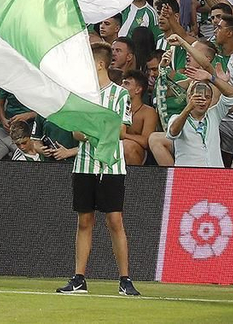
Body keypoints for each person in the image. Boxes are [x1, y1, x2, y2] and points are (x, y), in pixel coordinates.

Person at [52, 40, 139, 297]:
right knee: (84, 220)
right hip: (85, 164)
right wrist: (99, 130)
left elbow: (122, 130)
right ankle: (79, 278)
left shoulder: (120, 94)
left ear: (99, 63)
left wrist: (94, 130)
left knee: (115, 220)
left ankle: (125, 279)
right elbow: (77, 133)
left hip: (112, 166)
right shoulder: (81, 95)